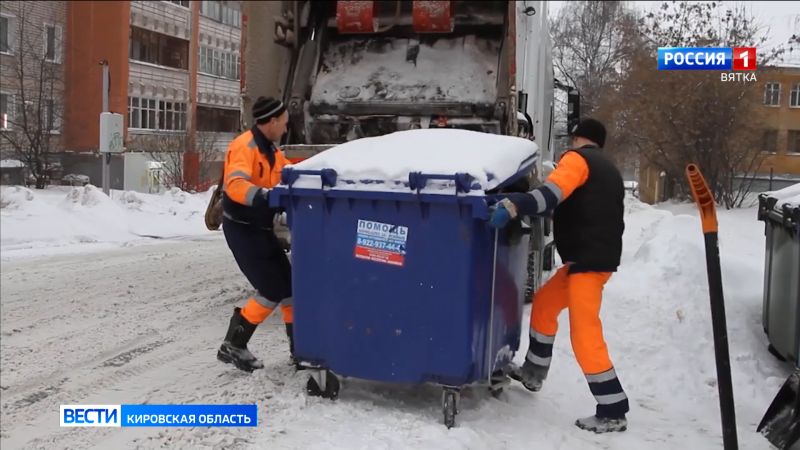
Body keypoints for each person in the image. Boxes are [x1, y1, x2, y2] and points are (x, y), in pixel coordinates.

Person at [489, 118, 629, 433]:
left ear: (579, 138)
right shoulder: (607, 168)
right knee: (545, 304)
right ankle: (533, 373)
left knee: (585, 334)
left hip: (588, 264)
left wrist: (515, 204)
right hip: (588, 260)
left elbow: (548, 196)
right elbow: (585, 208)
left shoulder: (578, 161)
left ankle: (612, 408)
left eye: (573, 139)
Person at [217, 96, 295, 373]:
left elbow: (290, 172)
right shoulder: (245, 146)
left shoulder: (272, 151)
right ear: (272, 122)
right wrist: (266, 196)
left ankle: (300, 350)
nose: (286, 128)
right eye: (284, 123)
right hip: (242, 229)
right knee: (273, 288)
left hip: (260, 228)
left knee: (290, 287)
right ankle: (233, 344)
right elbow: (235, 184)